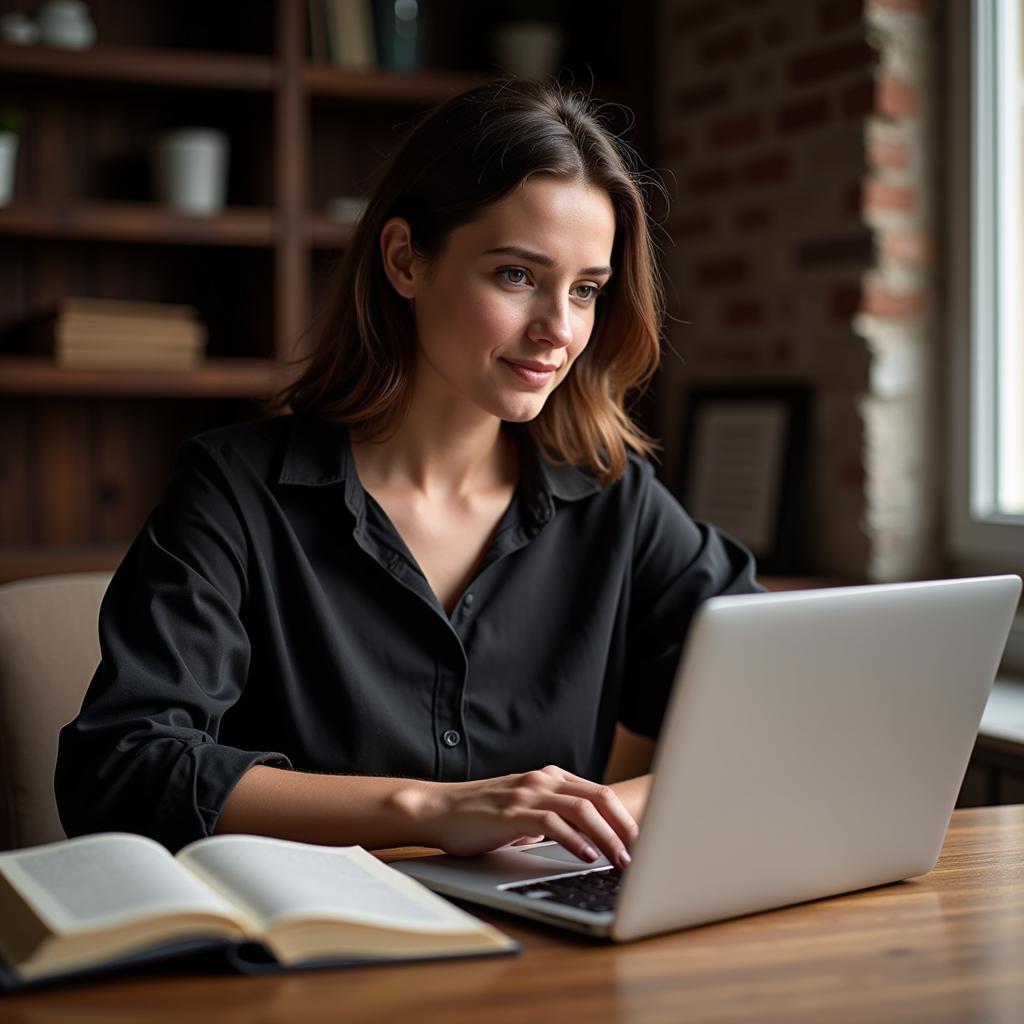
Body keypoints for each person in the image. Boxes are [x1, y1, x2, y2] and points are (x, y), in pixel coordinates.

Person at [55, 79, 760, 868]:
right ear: (404, 261)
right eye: (516, 276)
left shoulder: (612, 496)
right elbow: (121, 769)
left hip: (552, 950)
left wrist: (590, 816)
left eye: (587, 290)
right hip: (312, 952)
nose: (559, 330)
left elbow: (774, 700)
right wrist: (430, 810)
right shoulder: (235, 490)